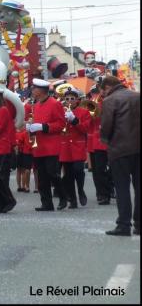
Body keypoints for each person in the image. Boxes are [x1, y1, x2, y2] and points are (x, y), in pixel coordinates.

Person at [99, 76, 140, 236]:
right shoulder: (137, 96)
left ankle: (123, 225)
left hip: (120, 149)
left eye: (103, 91)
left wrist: (105, 140)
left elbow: (107, 125)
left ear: (107, 86)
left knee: (122, 187)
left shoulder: (111, 100)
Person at [27, 79, 67, 211]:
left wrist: (44, 127)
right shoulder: (36, 105)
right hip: (39, 146)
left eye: (34, 88)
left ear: (41, 90)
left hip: (51, 146)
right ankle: (46, 203)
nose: (32, 91)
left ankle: (62, 197)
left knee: (52, 174)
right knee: (42, 176)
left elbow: (61, 124)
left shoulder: (55, 104)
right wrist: (31, 127)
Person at [58, 87, 91, 209]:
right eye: (67, 99)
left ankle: (81, 190)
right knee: (68, 174)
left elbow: (85, 129)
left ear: (77, 100)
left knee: (78, 170)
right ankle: (72, 199)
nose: (70, 101)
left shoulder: (84, 112)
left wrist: (74, 120)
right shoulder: (61, 112)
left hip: (78, 145)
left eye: (72, 99)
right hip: (65, 147)